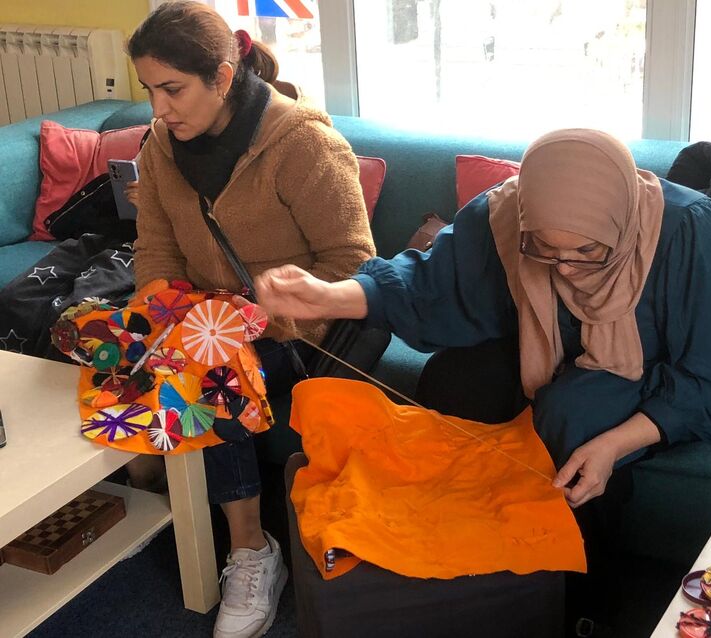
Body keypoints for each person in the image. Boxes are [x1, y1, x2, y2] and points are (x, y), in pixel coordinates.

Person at [254, 128, 711, 634]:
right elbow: (429, 285)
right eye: (546, 252)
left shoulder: (690, 227)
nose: (567, 270)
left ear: (621, 226)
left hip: (646, 373)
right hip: (539, 355)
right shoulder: (505, 215)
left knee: (573, 417)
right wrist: (326, 296)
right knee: (452, 381)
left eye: (587, 252)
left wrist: (616, 444)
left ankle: (584, 598)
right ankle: (477, 577)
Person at [125, 3, 376, 637]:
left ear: (224, 73)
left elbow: (353, 266)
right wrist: (164, 310)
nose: (159, 109)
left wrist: (260, 316)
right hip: (207, 321)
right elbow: (154, 249)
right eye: (150, 90)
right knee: (115, 343)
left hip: (297, 331)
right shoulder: (161, 148)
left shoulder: (303, 144)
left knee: (209, 373)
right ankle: (151, 485)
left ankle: (249, 550)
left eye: (172, 89)